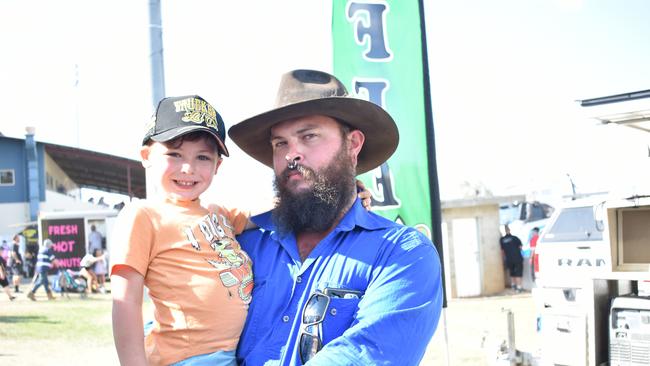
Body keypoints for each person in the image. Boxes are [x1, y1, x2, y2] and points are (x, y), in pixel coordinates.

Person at [228, 69, 444, 365]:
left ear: (353, 144)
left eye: (309, 136)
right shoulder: (242, 245)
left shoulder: (401, 253)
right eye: (281, 144)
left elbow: (366, 354)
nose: (293, 155)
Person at [110, 95, 254, 366]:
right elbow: (125, 302)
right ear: (146, 156)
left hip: (231, 356)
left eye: (202, 157)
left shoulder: (219, 213)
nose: (188, 168)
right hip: (186, 359)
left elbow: (271, 211)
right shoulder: (142, 215)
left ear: (217, 165)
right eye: (174, 154)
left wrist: (350, 196)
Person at [500, 224, 524, 293]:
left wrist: (503, 259)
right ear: (509, 230)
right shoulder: (515, 238)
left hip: (509, 259)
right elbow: (520, 247)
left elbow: (502, 251)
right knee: (518, 272)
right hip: (517, 258)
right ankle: (519, 287)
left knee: (512, 272)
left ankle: (513, 286)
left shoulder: (502, 239)